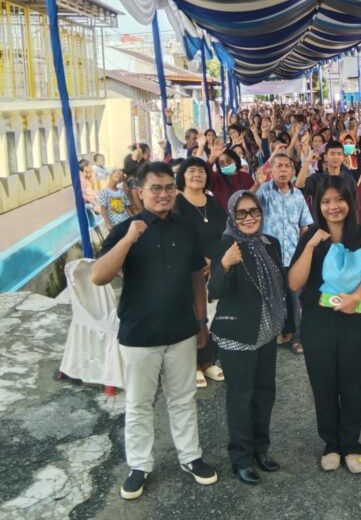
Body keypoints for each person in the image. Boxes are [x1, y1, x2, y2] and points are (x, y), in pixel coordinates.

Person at [92, 162, 217, 500]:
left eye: (168, 188)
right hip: (139, 334)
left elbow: (196, 277)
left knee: (183, 399)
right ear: (140, 192)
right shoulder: (125, 230)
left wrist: (202, 322)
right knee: (139, 403)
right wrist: (128, 239)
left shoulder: (186, 228)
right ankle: (139, 465)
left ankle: (190, 456)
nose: (163, 194)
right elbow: (99, 276)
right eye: (156, 188)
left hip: (181, 330)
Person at [289, 176, 361, 473]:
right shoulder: (311, 236)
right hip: (318, 321)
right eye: (326, 201)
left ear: (350, 202)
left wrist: (356, 297)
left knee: (353, 382)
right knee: (323, 383)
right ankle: (331, 443)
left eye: (339, 199)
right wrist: (310, 246)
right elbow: (295, 283)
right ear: (318, 205)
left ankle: (351, 445)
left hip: (355, 318)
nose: (333, 206)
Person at [208, 190, 286, 485]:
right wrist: (225, 264)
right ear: (232, 216)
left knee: (265, 393)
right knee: (241, 398)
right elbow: (214, 290)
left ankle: (260, 450)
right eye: (241, 213)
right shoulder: (225, 245)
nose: (249, 218)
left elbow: (280, 285)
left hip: (266, 331)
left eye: (254, 211)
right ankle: (241, 458)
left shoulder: (270, 243)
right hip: (237, 335)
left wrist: (287, 322)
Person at [174, 157, 228, 387]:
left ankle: (208, 361)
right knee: (192, 314)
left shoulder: (213, 202)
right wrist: (199, 258)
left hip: (214, 267)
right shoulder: (176, 203)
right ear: (183, 176)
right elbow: (176, 236)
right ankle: (192, 364)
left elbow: (225, 233)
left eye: (202, 171)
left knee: (211, 313)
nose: (197, 175)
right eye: (191, 171)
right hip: (188, 269)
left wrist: (215, 259)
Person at [254, 154, 314, 355]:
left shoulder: (298, 195)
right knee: (271, 297)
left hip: (292, 256)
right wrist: (256, 184)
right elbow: (246, 205)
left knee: (294, 298)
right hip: (268, 255)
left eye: (287, 166)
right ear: (270, 170)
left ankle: (295, 337)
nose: (283, 170)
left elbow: (304, 226)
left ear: (293, 171)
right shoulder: (264, 190)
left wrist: (303, 253)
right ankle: (271, 336)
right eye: (278, 166)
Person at [296, 140, 358, 209]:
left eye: (339, 154)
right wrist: (307, 161)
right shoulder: (316, 179)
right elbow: (299, 185)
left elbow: (354, 206)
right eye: (332, 153)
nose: (336, 157)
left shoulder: (350, 180)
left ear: (343, 157)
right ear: (325, 156)